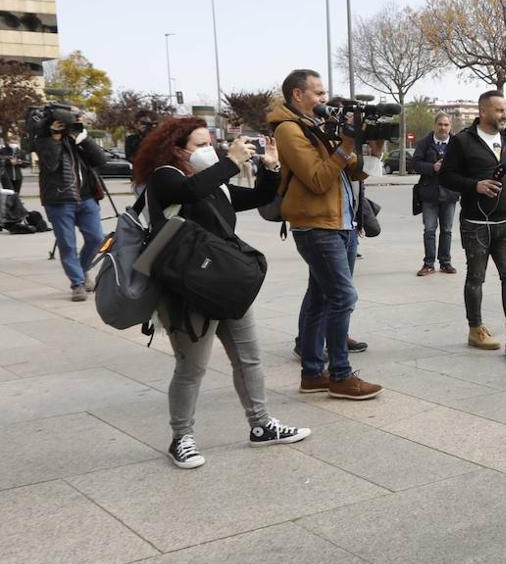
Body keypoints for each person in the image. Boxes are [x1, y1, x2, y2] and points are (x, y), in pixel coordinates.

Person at [132, 118, 311, 469]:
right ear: (176, 148)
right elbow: (190, 193)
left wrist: (270, 166)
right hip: (186, 288)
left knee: (249, 358)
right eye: (200, 145)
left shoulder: (217, 185)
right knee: (191, 367)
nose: (209, 150)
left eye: (210, 143)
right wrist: (230, 161)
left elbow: (259, 197)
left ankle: (261, 426)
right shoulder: (165, 177)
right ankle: (181, 437)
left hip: (226, 283)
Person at [267, 69, 383, 401]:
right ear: (297, 96)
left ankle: (312, 374)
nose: (323, 98)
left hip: (342, 223)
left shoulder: (320, 127)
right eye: (317, 93)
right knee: (343, 298)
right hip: (317, 226)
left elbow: (355, 170)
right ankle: (340, 375)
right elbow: (317, 179)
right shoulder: (290, 130)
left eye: (323, 92)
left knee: (320, 298)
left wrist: (369, 144)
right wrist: (344, 145)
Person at [437, 90, 506, 356]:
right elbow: (446, 176)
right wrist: (474, 185)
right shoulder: (463, 141)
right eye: (499, 110)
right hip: (476, 223)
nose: (504, 115)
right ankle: (475, 329)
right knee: (475, 278)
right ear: (483, 112)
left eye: (505, 110)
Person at [34, 107, 106, 301]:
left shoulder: (78, 140)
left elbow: (100, 160)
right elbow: (50, 165)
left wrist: (83, 137)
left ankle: (81, 273)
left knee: (97, 238)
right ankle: (77, 284)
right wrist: (55, 139)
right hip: (59, 200)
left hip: (87, 198)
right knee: (67, 244)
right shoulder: (43, 141)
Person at [411, 113, 460, 275]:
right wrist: (432, 167)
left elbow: (464, 165)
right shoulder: (424, 143)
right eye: (440, 124)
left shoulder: (457, 143)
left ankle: (445, 262)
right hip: (429, 194)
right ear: (435, 125)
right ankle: (428, 264)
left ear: (450, 126)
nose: (443, 128)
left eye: (446, 125)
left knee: (447, 230)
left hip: (450, 193)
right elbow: (415, 164)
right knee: (430, 229)